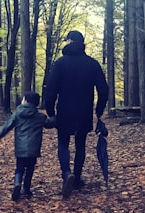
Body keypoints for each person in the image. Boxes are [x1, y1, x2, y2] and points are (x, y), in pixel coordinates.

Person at [45, 30, 109, 198]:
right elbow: (104, 89)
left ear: (70, 41)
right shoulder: (92, 64)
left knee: (63, 143)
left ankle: (67, 174)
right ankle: (77, 177)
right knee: (80, 144)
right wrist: (99, 109)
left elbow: (50, 90)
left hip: (64, 111)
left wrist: (51, 111)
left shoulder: (60, 64)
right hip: (83, 111)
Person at [0, 91, 54, 201]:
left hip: (21, 148)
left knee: (19, 168)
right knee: (30, 169)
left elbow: (5, 127)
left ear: (25, 100)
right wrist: (56, 118)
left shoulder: (17, 114)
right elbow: (50, 124)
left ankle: (17, 184)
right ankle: (26, 190)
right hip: (33, 149)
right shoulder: (39, 116)